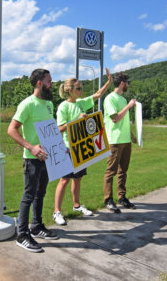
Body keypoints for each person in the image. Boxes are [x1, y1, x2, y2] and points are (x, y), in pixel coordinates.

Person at [52, 68, 113, 225]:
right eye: (78, 88)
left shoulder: (80, 102)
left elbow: (98, 95)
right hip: (67, 148)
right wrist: (77, 120)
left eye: (81, 88)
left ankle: (77, 205)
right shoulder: (63, 107)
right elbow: (59, 129)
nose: (81, 91)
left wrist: (108, 82)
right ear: (69, 90)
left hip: (80, 147)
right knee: (64, 180)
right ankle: (56, 212)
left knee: (78, 178)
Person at [7, 69, 59, 253]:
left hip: (47, 157)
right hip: (32, 159)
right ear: (39, 83)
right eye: (49, 81)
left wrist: (59, 146)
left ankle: (36, 227)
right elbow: (11, 130)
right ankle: (22, 235)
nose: (52, 84)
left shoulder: (48, 105)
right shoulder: (27, 104)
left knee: (41, 193)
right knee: (29, 195)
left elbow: (50, 129)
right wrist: (31, 147)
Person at [103, 72, 137, 213]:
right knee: (111, 171)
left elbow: (123, 121)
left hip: (125, 140)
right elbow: (116, 118)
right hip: (114, 141)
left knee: (123, 171)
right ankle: (108, 199)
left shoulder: (122, 100)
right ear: (122, 83)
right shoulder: (110, 98)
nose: (128, 85)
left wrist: (132, 135)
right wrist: (129, 106)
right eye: (127, 82)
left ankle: (121, 197)